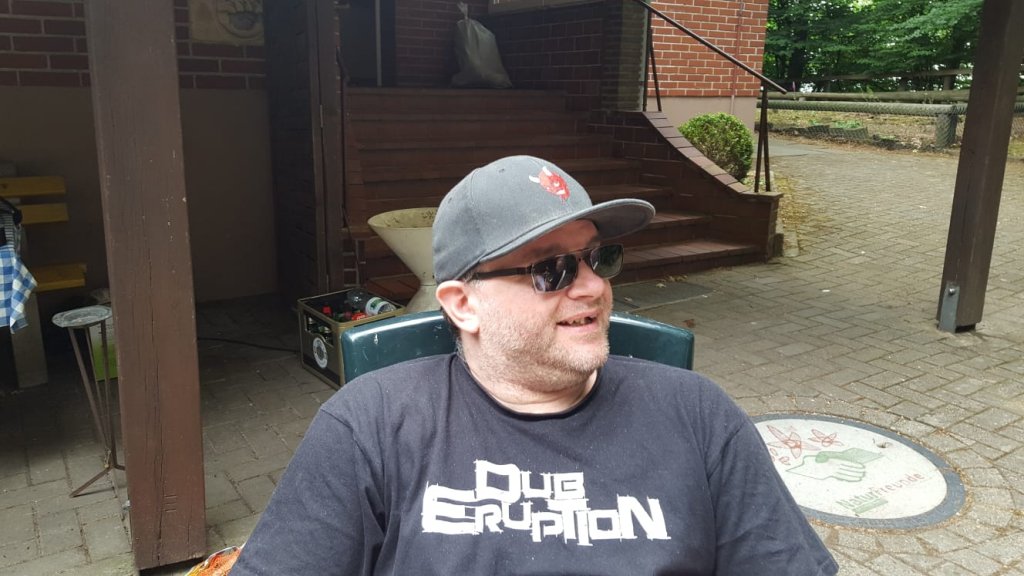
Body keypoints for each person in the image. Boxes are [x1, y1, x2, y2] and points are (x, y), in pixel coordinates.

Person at [232, 155, 839, 575]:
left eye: (599, 258)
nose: (592, 287)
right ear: (463, 305)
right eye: (552, 269)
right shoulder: (370, 425)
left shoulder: (699, 414)